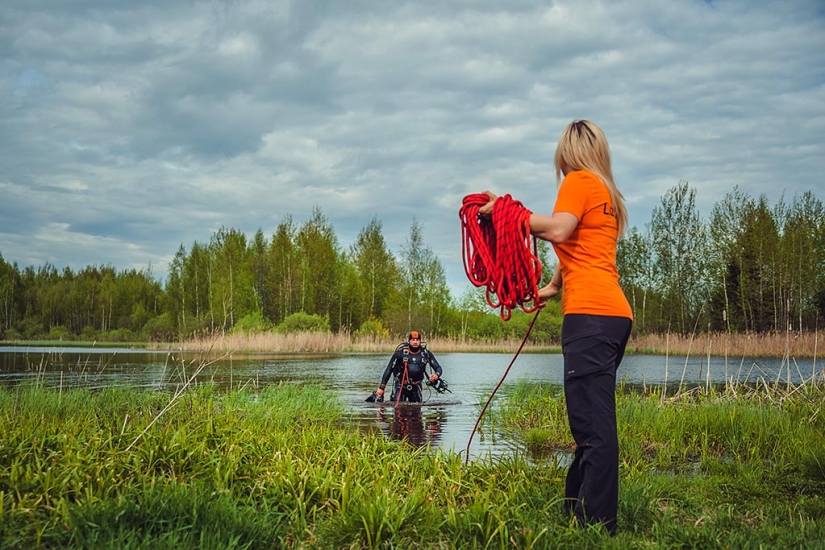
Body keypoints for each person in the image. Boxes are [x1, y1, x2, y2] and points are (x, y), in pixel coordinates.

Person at [480, 119, 633, 535]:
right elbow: (585, 249)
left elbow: (562, 229)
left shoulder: (579, 181)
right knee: (590, 421)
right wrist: (551, 287)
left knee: (593, 428)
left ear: (569, 152)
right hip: (613, 315)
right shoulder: (607, 193)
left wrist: (510, 215)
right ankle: (574, 508)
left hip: (589, 317)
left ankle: (599, 526)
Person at [374, 331, 443, 403]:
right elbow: (389, 370)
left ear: (420, 341)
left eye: (417, 340)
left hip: (416, 387)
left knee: (416, 410)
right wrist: (381, 388)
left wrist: (436, 375)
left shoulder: (426, 354)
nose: (415, 342)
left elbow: (438, 368)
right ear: (409, 341)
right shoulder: (400, 353)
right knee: (398, 408)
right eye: (413, 340)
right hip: (400, 386)